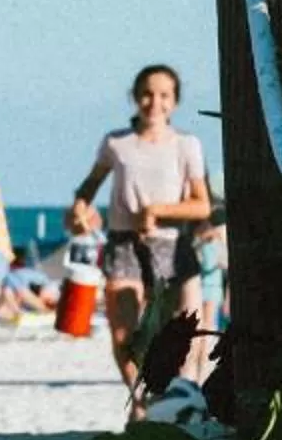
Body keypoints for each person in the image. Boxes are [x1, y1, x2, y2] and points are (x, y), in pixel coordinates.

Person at [67, 64, 213, 416]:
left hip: (172, 245)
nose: (155, 102)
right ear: (134, 97)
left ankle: (173, 398)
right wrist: (78, 212)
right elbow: (88, 188)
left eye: (164, 95)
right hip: (123, 244)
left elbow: (201, 204)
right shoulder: (116, 143)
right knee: (124, 334)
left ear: (175, 101)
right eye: (147, 93)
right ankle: (140, 399)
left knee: (184, 333)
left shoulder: (186, 145)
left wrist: (157, 210)